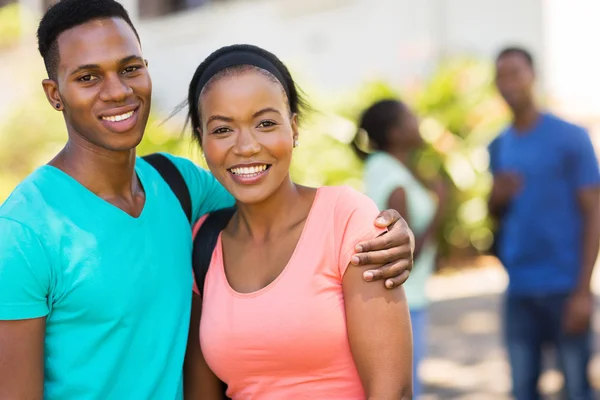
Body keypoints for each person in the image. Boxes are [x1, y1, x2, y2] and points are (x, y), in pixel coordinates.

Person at [0, 1, 417, 399]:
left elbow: (277, 200)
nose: (117, 91)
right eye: (88, 77)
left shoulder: (179, 185)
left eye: (129, 68)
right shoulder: (23, 231)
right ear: (54, 94)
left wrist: (387, 230)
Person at [182, 44, 414, 399]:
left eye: (265, 123)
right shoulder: (205, 242)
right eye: (223, 130)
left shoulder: (347, 220)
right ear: (202, 140)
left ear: (293, 128)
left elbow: (392, 391)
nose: (246, 146)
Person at [488, 46, 600, 400]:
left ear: (533, 75)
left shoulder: (570, 137)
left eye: (516, 73)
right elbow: (496, 214)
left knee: (576, 388)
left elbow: (594, 211)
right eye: (501, 76)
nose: (509, 83)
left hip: (565, 286)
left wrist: (583, 292)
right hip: (519, 288)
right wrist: (496, 197)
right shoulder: (498, 145)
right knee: (522, 388)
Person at [353, 99, 447, 397]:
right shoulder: (395, 181)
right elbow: (405, 256)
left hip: (406, 297)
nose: (417, 121)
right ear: (394, 132)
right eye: (410, 117)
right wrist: (440, 207)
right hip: (406, 301)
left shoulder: (383, 167)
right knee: (406, 388)